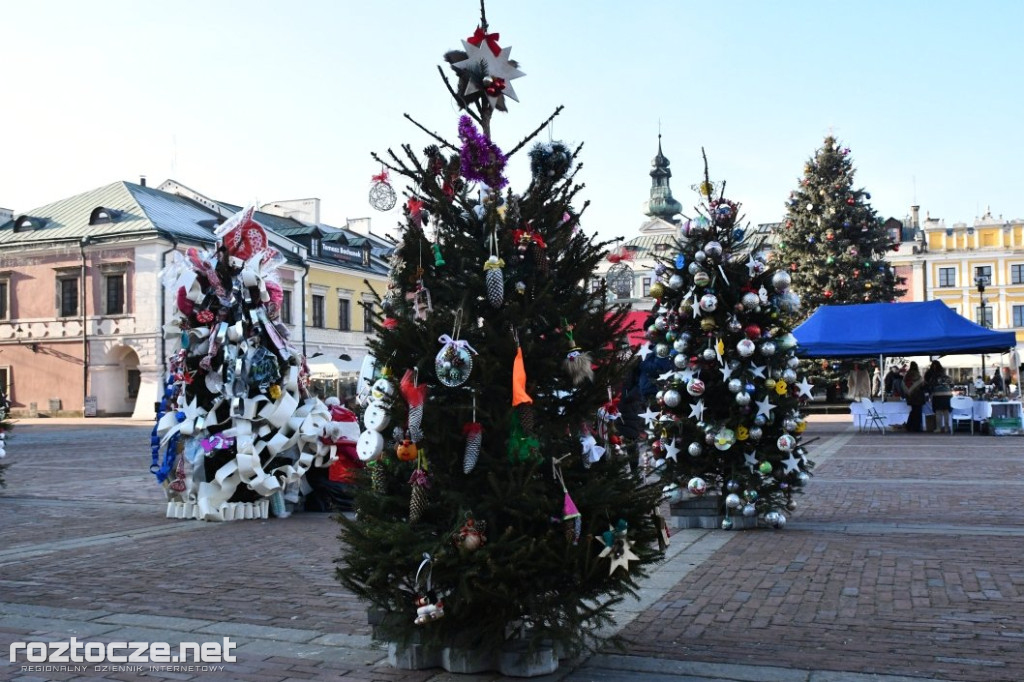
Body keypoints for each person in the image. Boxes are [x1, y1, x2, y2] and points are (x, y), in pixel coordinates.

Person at [927, 360, 953, 433]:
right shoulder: (948, 377)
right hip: (947, 395)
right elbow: (952, 385)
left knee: (938, 412)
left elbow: (930, 387)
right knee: (946, 412)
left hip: (937, 395)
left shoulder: (933, 377)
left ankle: (938, 428)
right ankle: (946, 428)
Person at [903, 361, 926, 432]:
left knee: (913, 411)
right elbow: (923, 384)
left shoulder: (907, 376)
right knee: (917, 412)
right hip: (918, 396)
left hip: (910, 397)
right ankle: (916, 427)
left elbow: (903, 385)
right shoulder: (918, 375)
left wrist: (908, 392)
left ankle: (909, 426)